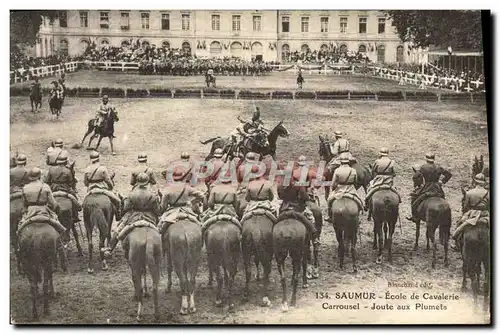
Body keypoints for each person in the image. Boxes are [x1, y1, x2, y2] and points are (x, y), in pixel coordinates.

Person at [105, 173, 161, 255]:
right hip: (150, 216)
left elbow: (126, 208)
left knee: (118, 229)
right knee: (162, 228)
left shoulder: (131, 194)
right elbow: (157, 211)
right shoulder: (153, 195)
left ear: (137, 182)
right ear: (148, 182)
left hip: (133, 215)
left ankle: (110, 248)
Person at [19, 167, 67, 236]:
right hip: (44, 210)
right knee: (58, 225)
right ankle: (61, 241)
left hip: (30, 212)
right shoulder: (45, 186)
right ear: (40, 176)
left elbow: (24, 205)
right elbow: (52, 203)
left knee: (20, 228)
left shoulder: (25, 188)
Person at [277, 171, 319, 246]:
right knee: (311, 218)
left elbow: (280, 197)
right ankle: (314, 237)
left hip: (284, 208)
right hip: (297, 208)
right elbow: (305, 198)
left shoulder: (280, 185)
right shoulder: (298, 185)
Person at [406, 153, 452, 223]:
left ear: (426, 159)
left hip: (426, 188)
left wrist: (420, 184)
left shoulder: (423, 167)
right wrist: (442, 182)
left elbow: (415, 177)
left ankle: (414, 216)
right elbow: (448, 175)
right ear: (434, 159)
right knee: (443, 199)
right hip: (437, 189)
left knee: (414, 201)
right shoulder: (438, 167)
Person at [452, 173, 489, 251]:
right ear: (484, 183)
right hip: (485, 214)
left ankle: (457, 244)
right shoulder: (488, 193)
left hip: (472, 214)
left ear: (475, 182)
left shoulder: (469, 193)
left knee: (460, 223)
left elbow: (465, 207)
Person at [364, 147, 401, 221]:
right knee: (396, 192)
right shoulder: (392, 162)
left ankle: (367, 203)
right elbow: (394, 173)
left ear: (380, 154)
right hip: (389, 182)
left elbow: (373, 171)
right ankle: (399, 200)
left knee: (369, 189)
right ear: (387, 154)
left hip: (378, 180)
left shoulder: (377, 161)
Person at [83, 151, 122, 220]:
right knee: (118, 201)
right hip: (102, 190)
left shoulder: (87, 169)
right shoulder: (103, 169)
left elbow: (86, 183)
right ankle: (118, 215)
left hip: (91, 191)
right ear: (98, 159)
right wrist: (111, 186)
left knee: (83, 205)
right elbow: (108, 181)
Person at [292, 155, 324, 238]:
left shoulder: (294, 172)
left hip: (296, 196)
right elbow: (322, 178)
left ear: (298, 163)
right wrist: (315, 187)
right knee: (318, 214)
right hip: (308, 195)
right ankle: (317, 237)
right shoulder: (310, 171)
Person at [45, 151, 81, 222]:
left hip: (53, 189)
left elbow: (47, 181)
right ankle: (75, 215)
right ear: (65, 162)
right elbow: (70, 183)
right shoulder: (68, 171)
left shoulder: (51, 169)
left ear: (58, 162)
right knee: (75, 199)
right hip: (65, 190)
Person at [327, 152, 364, 220]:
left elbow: (333, 184)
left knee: (329, 200)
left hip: (339, 190)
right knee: (359, 201)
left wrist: (333, 190)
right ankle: (358, 214)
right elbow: (355, 182)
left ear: (340, 161)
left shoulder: (337, 170)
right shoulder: (353, 170)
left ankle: (329, 215)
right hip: (351, 189)